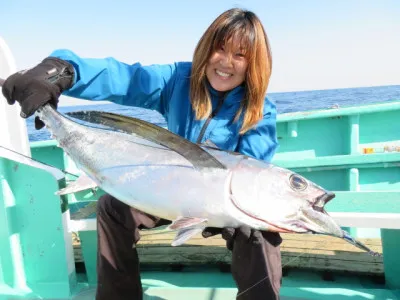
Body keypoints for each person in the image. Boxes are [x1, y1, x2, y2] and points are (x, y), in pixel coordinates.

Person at [2, 8, 283, 300]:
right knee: (113, 207)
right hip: (167, 193)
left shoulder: (261, 111)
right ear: (206, 48)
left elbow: (253, 170)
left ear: (254, 64)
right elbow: (126, 78)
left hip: (225, 205)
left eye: (240, 55)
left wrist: (227, 214)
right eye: (220, 49)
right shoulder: (179, 80)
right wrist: (63, 70)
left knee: (259, 231)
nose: (225, 63)